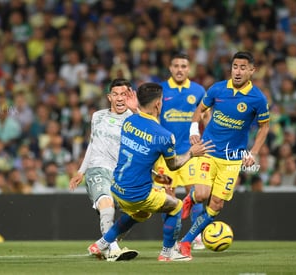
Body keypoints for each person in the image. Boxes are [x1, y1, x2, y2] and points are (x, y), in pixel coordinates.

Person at [87, 82, 214, 262]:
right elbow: (174, 165)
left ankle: (101, 243)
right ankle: (168, 252)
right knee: (176, 206)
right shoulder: (164, 135)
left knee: (140, 213)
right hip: (137, 193)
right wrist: (191, 153)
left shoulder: (129, 122)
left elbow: (143, 137)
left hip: (116, 187)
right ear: (158, 104)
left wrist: (135, 109)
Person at [178, 51, 270, 258]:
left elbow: (264, 128)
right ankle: (191, 198)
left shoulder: (258, 98)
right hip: (209, 151)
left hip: (232, 159)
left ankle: (186, 241)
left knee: (216, 205)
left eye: (243, 67)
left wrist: (253, 153)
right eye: (235, 66)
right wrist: (194, 131)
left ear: (252, 71)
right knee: (201, 194)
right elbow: (200, 109)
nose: (238, 71)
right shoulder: (217, 88)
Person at [69, 78, 138, 261]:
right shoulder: (97, 116)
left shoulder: (135, 119)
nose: (120, 98)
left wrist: (137, 109)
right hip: (98, 168)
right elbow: (93, 144)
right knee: (106, 205)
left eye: (124, 94)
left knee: (135, 214)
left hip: (122, 174)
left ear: (130, 96)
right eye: (115, 94)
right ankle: (114, 249)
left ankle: (104, 244)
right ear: (109, 97)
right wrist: (81, 171)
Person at [155, 53, 207, 249]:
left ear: (189, 69)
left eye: (183, 66)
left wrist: (209, 141)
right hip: (164, 155)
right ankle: (172, 239)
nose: (179, 69)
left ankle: (196, 236)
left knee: (195, 193)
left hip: (191, 151)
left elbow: (205, 117)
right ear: (170, 68)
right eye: (176, 65)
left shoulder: (198, 90)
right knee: (167, 196)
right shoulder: (161, 90)